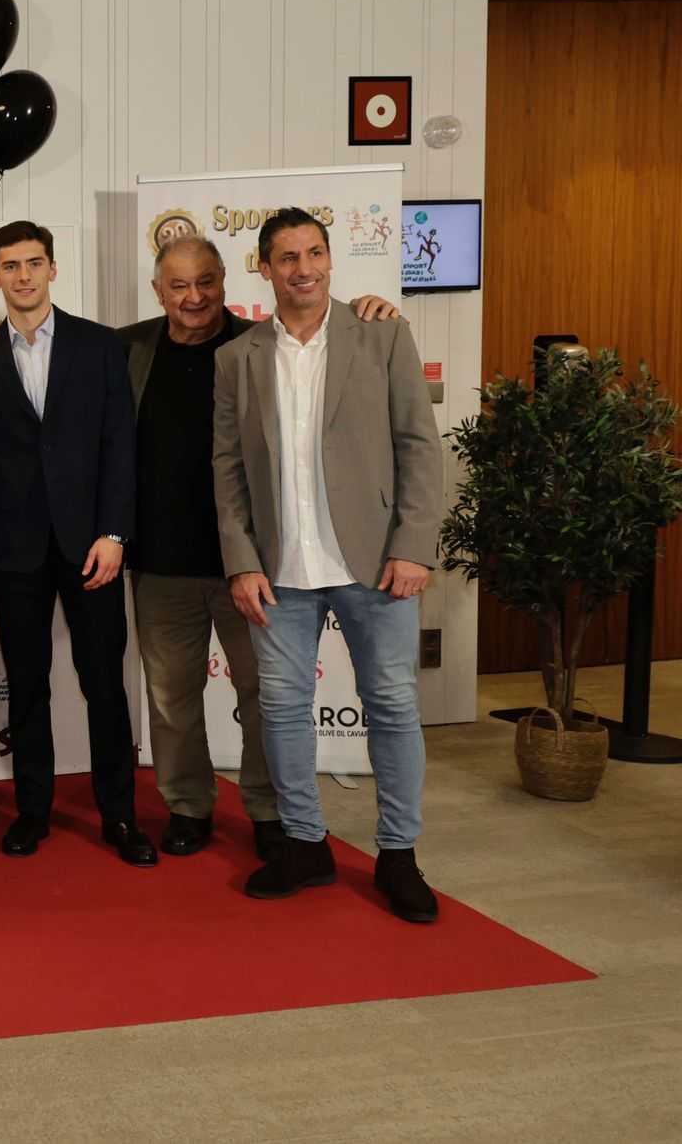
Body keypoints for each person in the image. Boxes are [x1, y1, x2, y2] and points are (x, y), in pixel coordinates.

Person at [119, 239, 400, 860]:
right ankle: (187, 805)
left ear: (226, 279)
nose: (194, 297)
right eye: (178, 286)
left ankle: (271, 811)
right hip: (160, 563)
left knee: (266, 700)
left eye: (205, 282)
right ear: (158, 291)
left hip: (252, 566)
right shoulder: (127, 349)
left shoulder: (259, 345)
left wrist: (372, 309)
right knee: (170, 699)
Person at [214, 208, 444, 922]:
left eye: (314, 252)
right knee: (283, 709)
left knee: (394, 705)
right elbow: (226, 469)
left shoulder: (382, 334)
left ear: (330, 259)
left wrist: (413, 544)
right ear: (265, 268)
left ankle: (398, 854)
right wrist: (241, 560)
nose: (304, 268)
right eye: (287, 257)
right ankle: (306, 845)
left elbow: (419, 444)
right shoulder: (237, 357)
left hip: (376, 562)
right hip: (278, 572)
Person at [0, 221, 155, 867]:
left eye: (34, 262)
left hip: (92, 545)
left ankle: (119, 815)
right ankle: (33, 812)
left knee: (105, 686)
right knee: (26, 686)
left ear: (52, 269)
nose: (23, 275)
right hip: (12, 551)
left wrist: (115, 533)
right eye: (10, 265)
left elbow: (120, 444)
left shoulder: (99, 345)